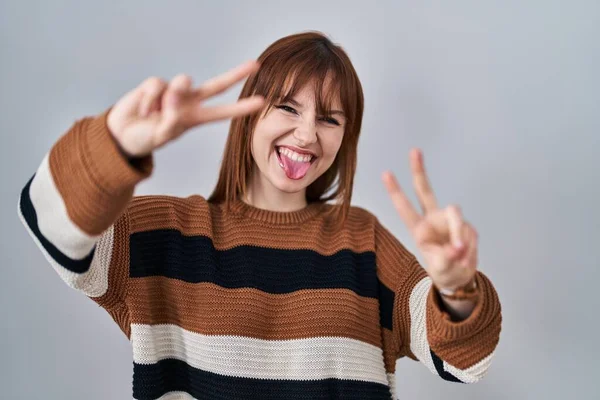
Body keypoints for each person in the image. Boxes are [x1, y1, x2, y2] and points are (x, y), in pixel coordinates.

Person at [18, 31, 502, 399]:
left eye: (329, 119)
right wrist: (114, 146)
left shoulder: (363, 242)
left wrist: (458, 290)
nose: (308, 135)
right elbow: (47, 217)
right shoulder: (164, 234)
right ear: (250, 114)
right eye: (288, 108)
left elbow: (464, 358)